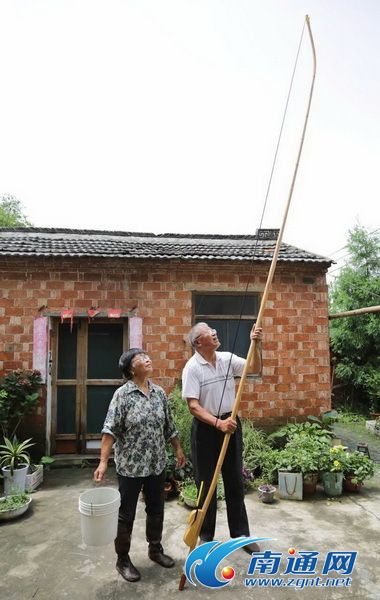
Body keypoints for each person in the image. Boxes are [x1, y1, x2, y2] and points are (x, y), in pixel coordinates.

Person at [94, 348, 185, 583]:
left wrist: (177, 448)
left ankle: (155, 549)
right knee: (126, 514)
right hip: (131, 467)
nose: (147, 359)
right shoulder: (122, 395)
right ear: (131, 369)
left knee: (156, 508)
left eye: (147, 356)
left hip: (156, 463)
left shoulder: (159, 393)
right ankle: (122, 559)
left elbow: (169, 426)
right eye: (140, 359)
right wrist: (103, 462)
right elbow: (109, 429)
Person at [181, 322, 262, 553]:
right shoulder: (192, 368)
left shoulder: (226, 358)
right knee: (206, 485)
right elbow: (193, 406)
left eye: (213, 329)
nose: (214, 332)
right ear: (198, 342)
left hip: (231, 424)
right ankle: (206, 538)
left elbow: (253, 367)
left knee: (235, 480)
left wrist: (255, 343)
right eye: (208, 331)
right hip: (207, 429)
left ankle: (241, 535)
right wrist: (218, 423)